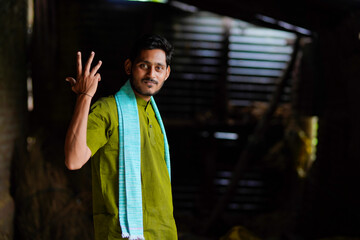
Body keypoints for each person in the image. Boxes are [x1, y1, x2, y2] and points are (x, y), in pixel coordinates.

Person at [64, 34, 177, 240]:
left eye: (159, 68)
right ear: (128, 66)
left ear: (167, 73)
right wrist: (84, 97)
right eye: (144, 65)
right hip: (122, 234)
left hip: (163, 231)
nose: (151, 74)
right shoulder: (108, 110)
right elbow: (73, 159)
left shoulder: (153, 114)